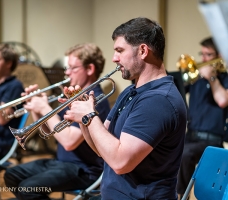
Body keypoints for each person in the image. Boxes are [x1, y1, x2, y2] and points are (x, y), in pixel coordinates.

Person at [61, 17, 188, 199]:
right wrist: (83, 116)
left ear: (143, 50)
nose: (114, 58)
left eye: (120, 50)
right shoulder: (131, 91)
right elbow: (101, 148)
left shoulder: (158, 101)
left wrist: (89, 115)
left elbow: (120, 162)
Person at [4, 43, 110, 200]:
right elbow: (48, 132)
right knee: (12, 175)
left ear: (90, 69)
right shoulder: (74, 96)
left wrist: (45, 107)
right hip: (61, 163)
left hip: (84, 170)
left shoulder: (94, 100)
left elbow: (68, 142)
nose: (67, 72)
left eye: (73, 68)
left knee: (27, 189)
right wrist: (36, 106)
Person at [177, 37, 228, 198]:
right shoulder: (196, 78)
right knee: (166, 148)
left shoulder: (224, 79)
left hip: (212, 140)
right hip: (190, 136)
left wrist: (212, 78)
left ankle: (180, 196)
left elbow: (222, 101)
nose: (203, 59)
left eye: (208, 55)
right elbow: (177, 91)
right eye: (202, 54)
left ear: (219, 55)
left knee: (185, 154)